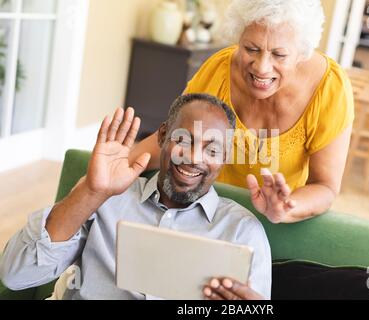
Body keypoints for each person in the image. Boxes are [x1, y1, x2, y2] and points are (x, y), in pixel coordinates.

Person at [0, 94, 271, 300]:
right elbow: (15, 274)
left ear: (223, 158)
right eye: (184, 140)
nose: (193, 158)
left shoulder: (242, 232)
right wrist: (91, 191)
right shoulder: (105, 199)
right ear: (163, 136)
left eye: (212, 150)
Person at [130, 0, 355, 224]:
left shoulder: (329, 88)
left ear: (302, 53)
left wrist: (285, 209)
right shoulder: (218, 70)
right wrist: (121, 165)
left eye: (279, 55)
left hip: (272, 224)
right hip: (206, 214)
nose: (261, 67)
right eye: (251, 49)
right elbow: (175, 141)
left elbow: (325, 187)